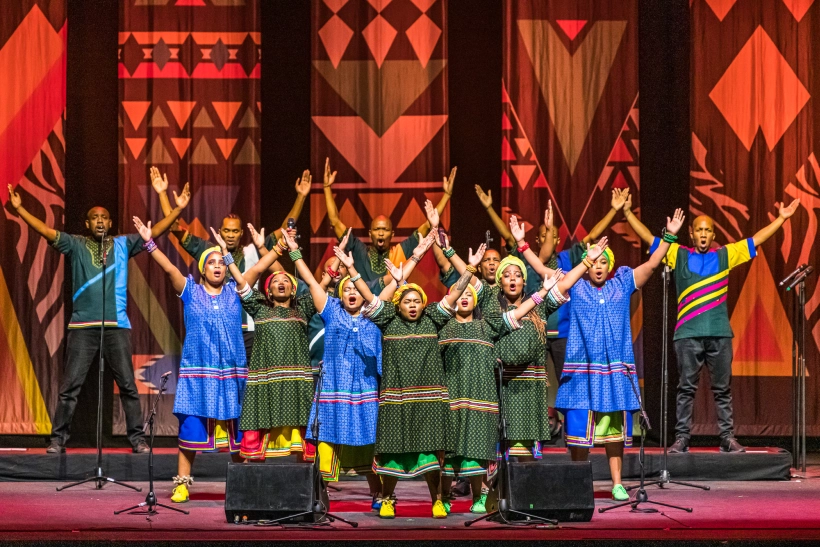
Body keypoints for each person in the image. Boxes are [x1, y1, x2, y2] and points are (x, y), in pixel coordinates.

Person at [6, 182, 190, 454]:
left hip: (117, 327)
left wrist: (177, 210)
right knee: (70, 387)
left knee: (128, 385)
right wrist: (20, 209)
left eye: (104, 217)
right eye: (95, 217)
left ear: (110, 222)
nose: (100, 221)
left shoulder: (123, 244)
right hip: (82, 327)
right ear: (87, 223)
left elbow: (156, 232)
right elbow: (45, 231)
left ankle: (137, 439)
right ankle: (58, 439)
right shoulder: (75, 244)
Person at [622, 195, 800, 453]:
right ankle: (682, 438)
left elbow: (757, 239)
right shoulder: (678, 254)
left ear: (713, 234)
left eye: (708, 230)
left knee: (722, 390)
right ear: (692, 234)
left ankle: (727, 438)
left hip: (719, 333)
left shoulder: (726, 254)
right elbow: (650, 238)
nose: (703, 234)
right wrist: (627, 213)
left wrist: (782, 219)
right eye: (699, 230)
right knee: (685, 389)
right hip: (687, 335)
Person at [344, 242, 483, 519]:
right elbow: (368, 297)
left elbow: (454, 293)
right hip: (397, 399)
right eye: (407, 301)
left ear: (423, 304)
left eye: (416, 301)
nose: (412, 305)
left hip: (430, 400)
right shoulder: (387, 319)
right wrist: (350, 268)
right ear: (399, 304)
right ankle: (387, 499)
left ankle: (438, 500)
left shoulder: (433, 319)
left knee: (432, 455)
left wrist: (470, 269)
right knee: (393, 453)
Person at [477, 186, 630, 436]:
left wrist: (614, 210)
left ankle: (574, 430)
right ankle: (519, 431)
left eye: (552, 236)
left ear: (558, 241)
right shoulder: (523, 260)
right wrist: (489, 208)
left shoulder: (566, 260)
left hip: (561, 332)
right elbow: (509, 235)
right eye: (543, 235)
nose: (548, 238)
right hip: (525, 332)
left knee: (567, 382)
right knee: (524, 382)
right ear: (533, 240)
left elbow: (592, 235)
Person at [555, 209, 684, 500]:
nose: (598, 267)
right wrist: (523, 246)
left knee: (613, 433)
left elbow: (652, 264)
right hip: (582, 374)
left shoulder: (621, 283)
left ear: (610, 265)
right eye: (593, 262)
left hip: (613, 372)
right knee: (579, 433)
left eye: (603, 262)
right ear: (586, 266)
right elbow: (543, 272)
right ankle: (579, 483)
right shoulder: (576, 286)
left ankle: (616, 483)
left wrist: (669, 237)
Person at [435, 245, 568, 514]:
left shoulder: (536, 306)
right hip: (496, 384)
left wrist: (586, 263)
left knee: (524, 448)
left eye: (517, 274)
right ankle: (487, 494)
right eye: (505, 274)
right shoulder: (491, 305)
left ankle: (525, 496)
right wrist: (449, 251)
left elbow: (562, 286)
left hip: (528, 387)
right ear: (499, 280)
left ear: (523, 279)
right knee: (487, 446)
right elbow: (466, 284)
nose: (511, 279)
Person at [132, 217, 247, 503]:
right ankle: (182, 483)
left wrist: (282, 245)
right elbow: (170, 267)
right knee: (191, 430)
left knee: (238, 433)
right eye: (212, 262)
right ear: (202, 268)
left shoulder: (235, 292)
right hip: (199, 375)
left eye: (222, 262)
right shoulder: (191, 291)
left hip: (232, 375)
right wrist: (149, 243)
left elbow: (255, 270)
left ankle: (244, 486)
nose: (218, 266)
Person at [151, 166, 311, 357]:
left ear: (241, 233)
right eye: (227, 231)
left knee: (249, 382)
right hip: (221, 325)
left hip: (250, 327)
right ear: (220, 232)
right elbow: (175, 229)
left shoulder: (254, 250)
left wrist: (301, 196)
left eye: (235, 231)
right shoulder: (210, 252)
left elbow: (284, 229)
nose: (230, 235)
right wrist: (162, 194)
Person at [283, 230, 385, 510]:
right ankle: (320, 495)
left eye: (356, 289)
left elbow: (389, 288)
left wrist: (415, 256)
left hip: (365, 393)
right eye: (347, 289)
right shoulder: (332, 311)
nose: (352, 293)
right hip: (333, 391)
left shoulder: (375, 314)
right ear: (340, 294)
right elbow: (310, 281)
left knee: (367, 443)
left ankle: (379, 493)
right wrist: (294, 251)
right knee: (326, 444)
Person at [322, 157, 455, 289]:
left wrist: (446, 196)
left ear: (392, 234)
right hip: (362, 306)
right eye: (377, 229)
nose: (380, 233)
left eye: (385, 230)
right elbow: (335, 221)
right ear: (370, 233)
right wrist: (327, 187)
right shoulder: (358, 250)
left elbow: (428, 223)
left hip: (392, 307)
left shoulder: (401, 251)